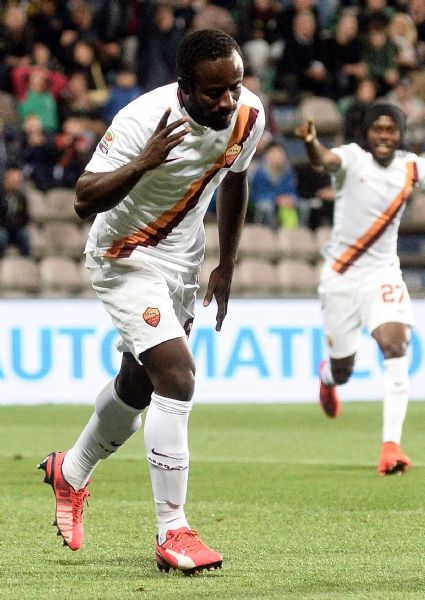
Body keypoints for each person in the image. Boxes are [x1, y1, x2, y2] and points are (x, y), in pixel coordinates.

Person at [38, 29, 265, 574]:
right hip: (125, 254)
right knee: (177, 377)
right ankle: (173, 530)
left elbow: (236, 178)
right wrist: (143, 163)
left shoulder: (248, 114)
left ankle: (71, 471)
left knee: (138, 388)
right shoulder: (143, 119)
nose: (228, 101)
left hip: (183, 262)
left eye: (234, 87)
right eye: (214, 92)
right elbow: (83, 199)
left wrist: (227, 263)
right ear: (184, 86)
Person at [294, 102, 425, 476]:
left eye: (391, 130)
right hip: (341, 279)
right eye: (378, 129)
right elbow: (325, 160)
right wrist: (311, 143)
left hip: (382, 274)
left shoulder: (411, 167)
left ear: (400, 135)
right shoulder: (353, 159)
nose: (384, 136)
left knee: (396, 345)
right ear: (367, 133)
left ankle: (391, 447)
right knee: (344, 369)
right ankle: (327, 379)